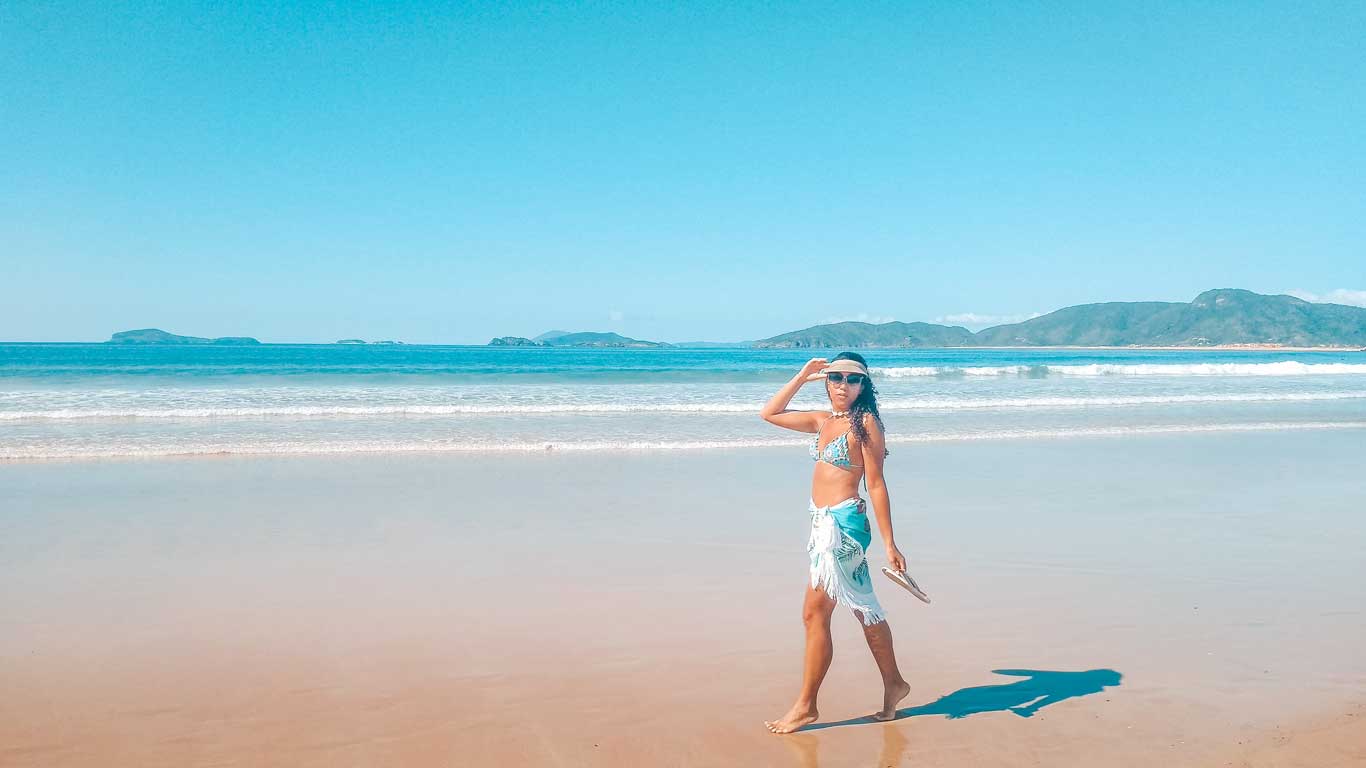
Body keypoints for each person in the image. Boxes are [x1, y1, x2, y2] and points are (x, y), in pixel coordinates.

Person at [758, 352, 910, 733]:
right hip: (821, 525)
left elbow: (875, 483)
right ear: (827, 382)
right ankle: (894, 684)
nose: (844, 385)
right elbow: (769, 413)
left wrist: (890, 544)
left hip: (842, 528)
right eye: (836, 377)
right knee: (863, 608)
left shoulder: (866, 424)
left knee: (815, 613)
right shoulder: (823, 421)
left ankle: (806, 706)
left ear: (864, 386)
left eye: (853, 379)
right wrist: (802, 375)